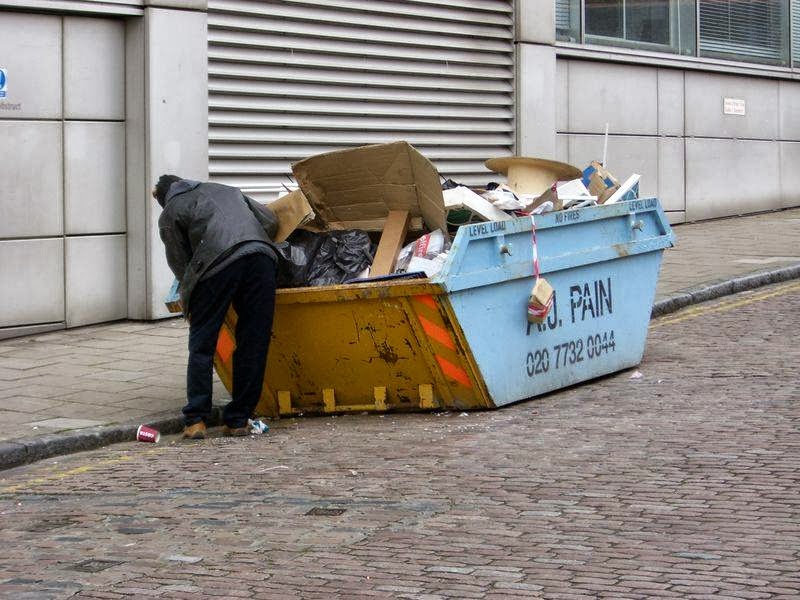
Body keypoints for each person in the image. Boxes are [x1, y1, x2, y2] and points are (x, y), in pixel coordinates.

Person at [153, 175, 279, 440]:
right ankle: (238, 420)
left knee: (203, 343)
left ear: (159, 197)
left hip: (217, 266)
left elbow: (182, 266)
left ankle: (196, 420)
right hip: (262, 258)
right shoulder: (227, 189)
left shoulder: (170, 213)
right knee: (253, 341)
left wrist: (189, 305)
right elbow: (269, 221)